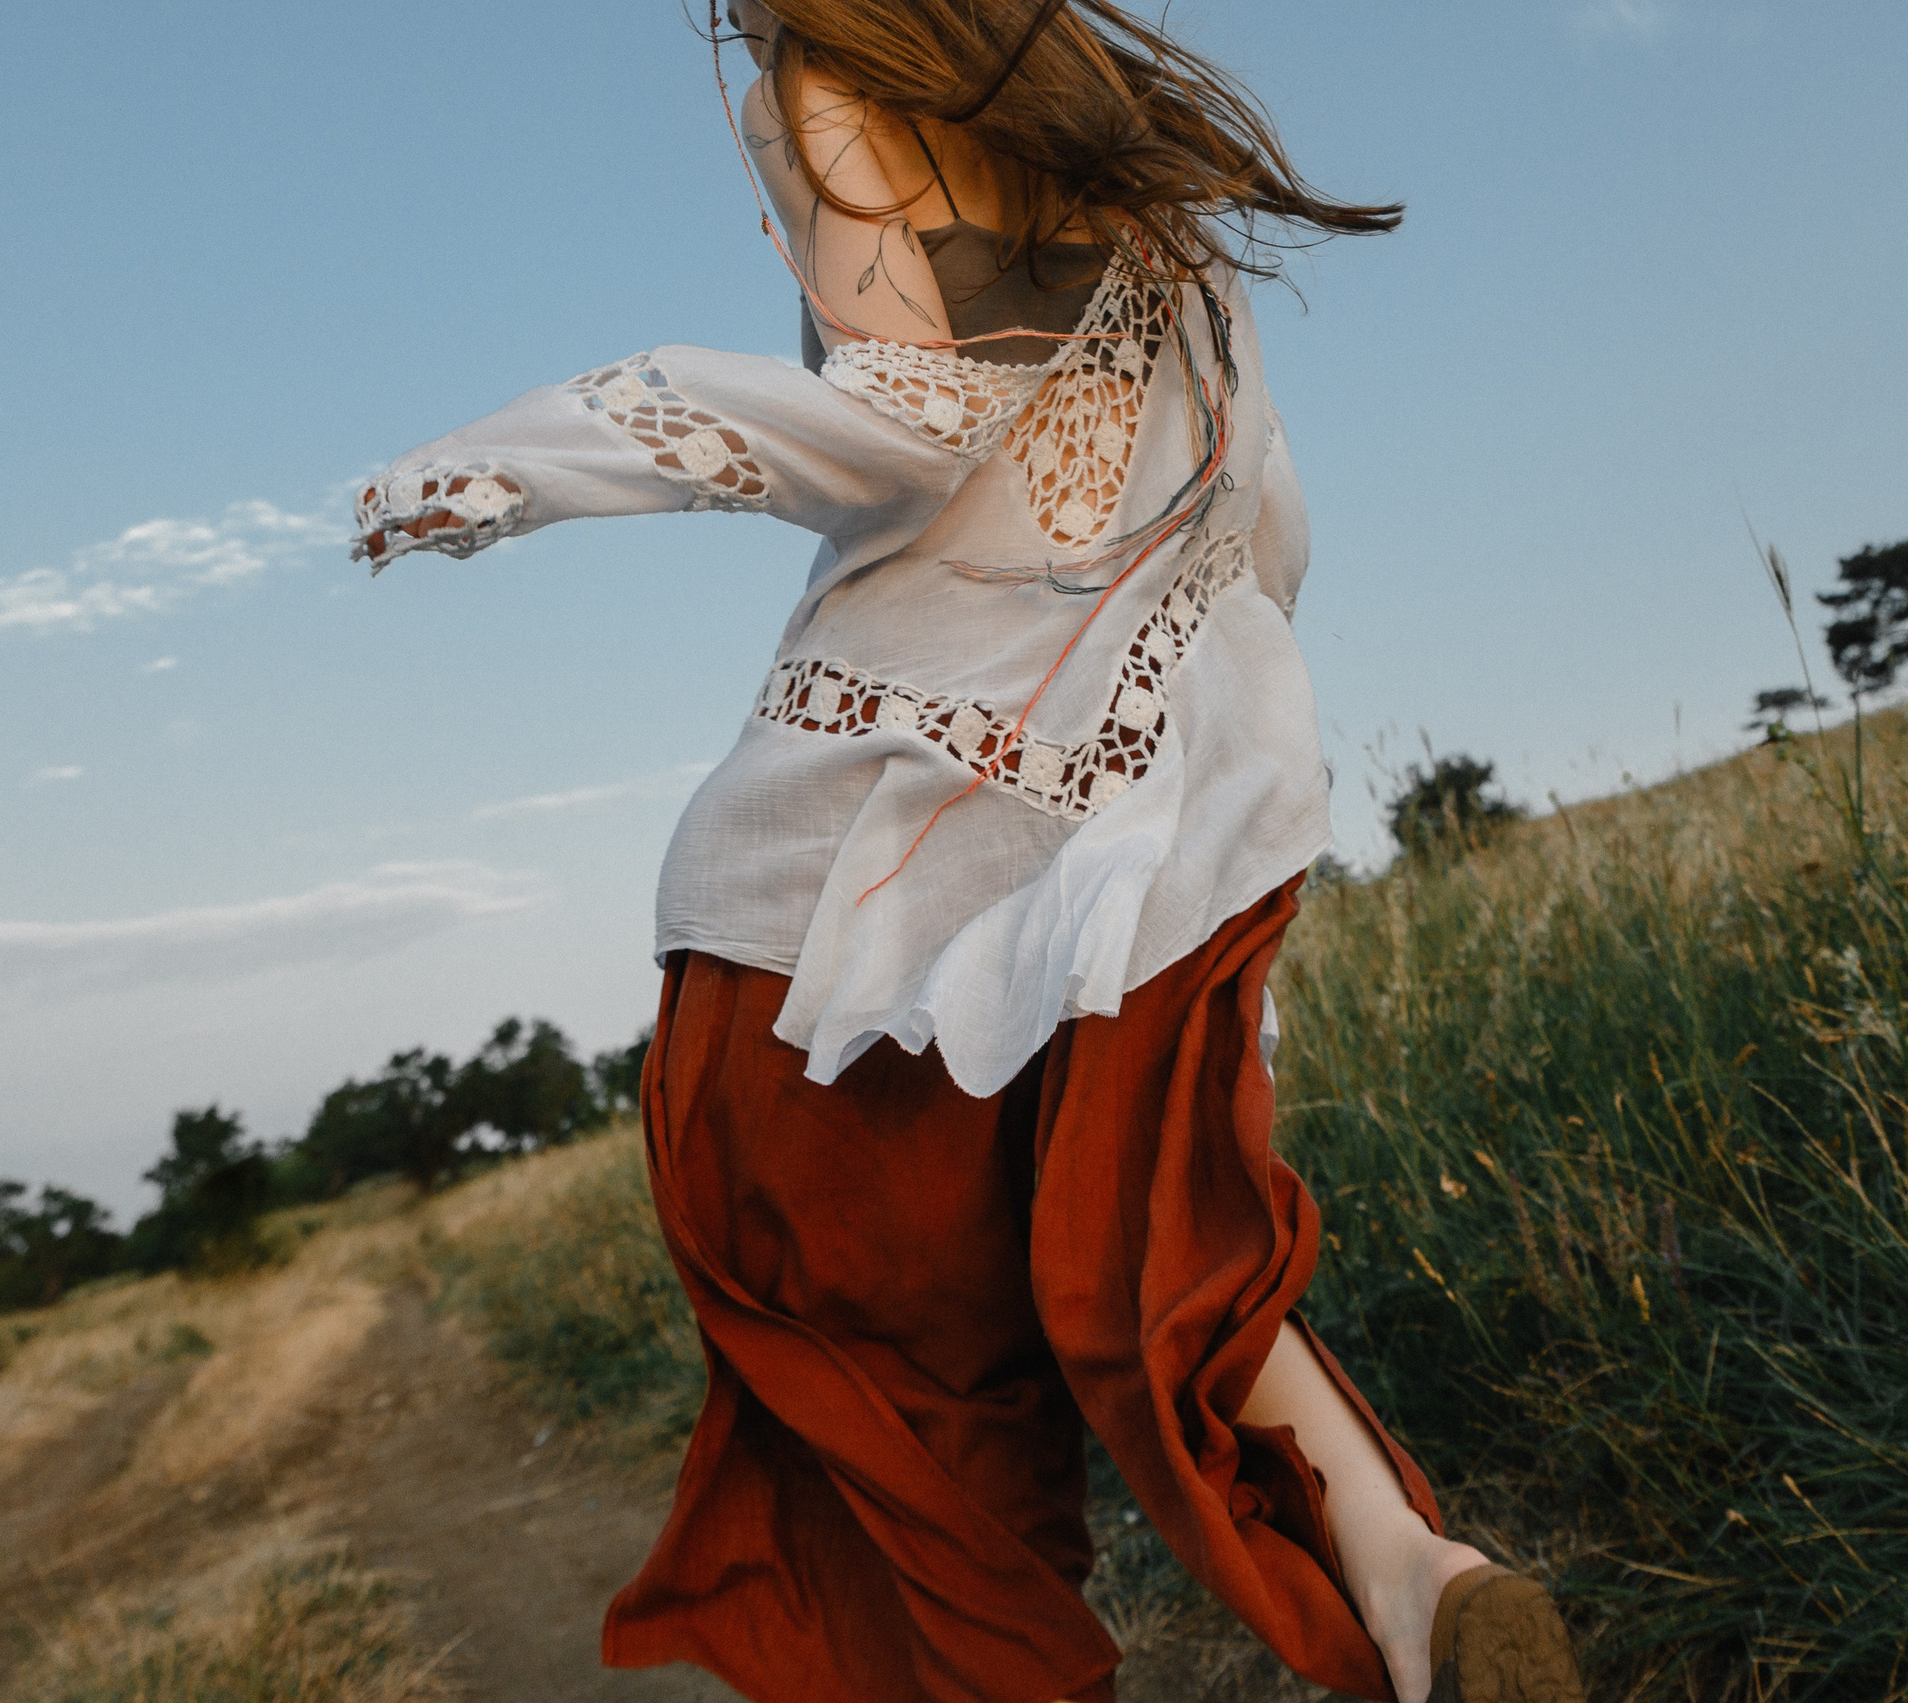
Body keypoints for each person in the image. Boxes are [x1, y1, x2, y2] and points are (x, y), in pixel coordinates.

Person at [352, 4, 1586, 1700]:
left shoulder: (828, 78)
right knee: (1174, 1273)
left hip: (845, 899)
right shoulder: (1121, 162)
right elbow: (1264, 510)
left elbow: (906, 416)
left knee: (900, 1418)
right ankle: (1410, 1569)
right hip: (1157, 849)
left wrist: (538, 452)